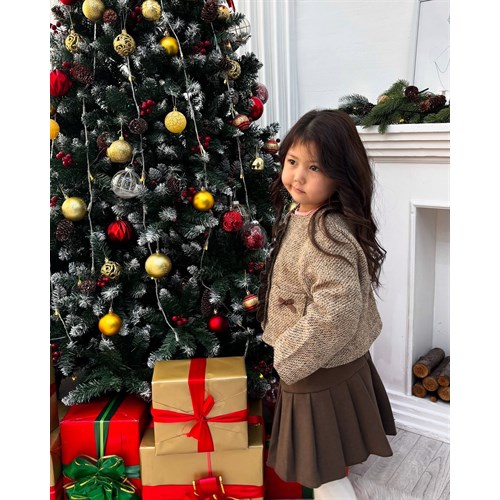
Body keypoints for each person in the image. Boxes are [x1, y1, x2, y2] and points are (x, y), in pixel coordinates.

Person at [257, 109, 397, 499]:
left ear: (340, 176)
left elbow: (336, 312)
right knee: (322, 469)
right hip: (314, 364)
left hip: (315, 368)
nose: (297, 176)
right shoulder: (301, 213)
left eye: (314, 167)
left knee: (323, 473)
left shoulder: (327, 233)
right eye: (292, 162)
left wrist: (288, 353)